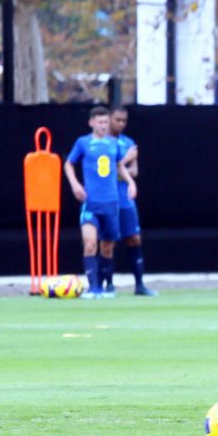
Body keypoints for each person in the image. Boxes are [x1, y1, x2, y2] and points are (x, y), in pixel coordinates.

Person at [64, 106, 132, 299]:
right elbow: (69, 163)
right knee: (90, 242)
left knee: (108, 246)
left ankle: (103, 286)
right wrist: (75, 184)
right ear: (91, 122)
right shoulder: (83, 143)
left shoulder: (113, 144)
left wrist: (130, 183)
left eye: (105, 122)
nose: (103, 126)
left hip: (111, 202)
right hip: (91, 202)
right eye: (100, 122)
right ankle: (92, 287)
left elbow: (119, 166)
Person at [108, 106, 155, 296]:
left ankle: (139, 284)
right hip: (108, 198)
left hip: (126, 199)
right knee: (108, 240)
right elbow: (105, 172)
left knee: (134, 238)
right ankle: (108, 284)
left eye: (123, 121)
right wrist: (125, 161)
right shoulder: (101, 144)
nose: (120, 124)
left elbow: (134, 172)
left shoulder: (128, 142)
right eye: (117, 120)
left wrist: (123, 166)